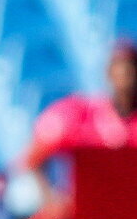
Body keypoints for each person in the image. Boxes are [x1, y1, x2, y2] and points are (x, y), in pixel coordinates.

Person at [23, 40, 137, 207]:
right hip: (89, 216)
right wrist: (52, 202)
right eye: (121, 68)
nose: (128, 75)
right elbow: (34, 156)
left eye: (131, 67)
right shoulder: (81, 115)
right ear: (109, 72)